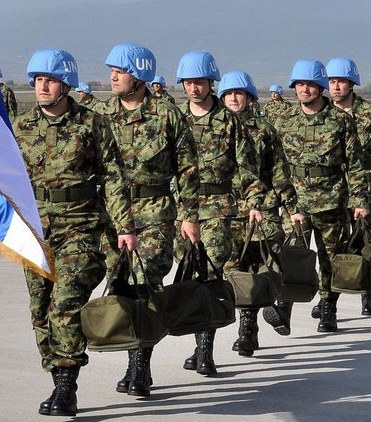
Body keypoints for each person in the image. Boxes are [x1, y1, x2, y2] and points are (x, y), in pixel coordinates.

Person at [14, 48, 137, 417]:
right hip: (35, 230)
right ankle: (57, 377)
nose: (42, 87)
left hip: (81, 227)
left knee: (65, 304)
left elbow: (113, 178)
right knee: (40, 310)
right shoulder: (20, 127)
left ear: (66, 85)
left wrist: (124, 227)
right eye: (38, 80)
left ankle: (67, 386)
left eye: (50, 80)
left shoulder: (92, 124)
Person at [100, 43, 201, 396]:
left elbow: (188, 170)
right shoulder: (101, 114)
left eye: (120, 71)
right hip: (113, 216)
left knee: (145, 287)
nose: (113, 77)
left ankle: (140, 364)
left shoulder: (166, 115)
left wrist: (189, 215)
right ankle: (131, 354)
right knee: (119, 287)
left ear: (139, 75)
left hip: (155, 212)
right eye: (112, 71)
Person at [176, 50, 266, 376]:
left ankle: (205, 349)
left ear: (210, 83)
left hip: (217, 208)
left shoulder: (229, 122)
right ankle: (197, 340)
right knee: (188, 279)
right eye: (188, 82)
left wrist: (254, 203)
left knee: (210, 277)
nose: (194, 88)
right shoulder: (174, 119)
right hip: (180, 210)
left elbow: (247, 168)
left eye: (200, 82)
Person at [272, 59, 369, 332]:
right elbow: (276, 165)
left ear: (321, 87)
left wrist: (359, 200)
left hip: (331, 201)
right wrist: (284, 199)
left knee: (330, 259)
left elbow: (355, 163)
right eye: (300, 85)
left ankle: (328, 307)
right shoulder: (284, 121)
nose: (305, 90)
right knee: (291, 256)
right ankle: (284, 308)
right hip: (296, 203)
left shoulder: (340, 120)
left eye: (311, 85)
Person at [216, 70, 297, 356]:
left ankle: (247, 331)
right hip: (225, 209)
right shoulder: (214, 128)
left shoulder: (264, 130)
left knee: (259, 266)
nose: (233, 98)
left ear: (249, 97)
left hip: (261, 209)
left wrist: (291, 207)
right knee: (232, 271)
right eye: (228, 93)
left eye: (239, 93)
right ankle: (231, 335)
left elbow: (279, 171)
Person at [326, 57, 371, 315]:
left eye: (341, 82)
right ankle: (329, 301)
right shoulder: (323, 115)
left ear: (352, 84)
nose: (336, 87)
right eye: (332, 82)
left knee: (365, 243)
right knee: (335, 246)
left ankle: (368, 293)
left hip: (368, 189)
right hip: (332, 190)